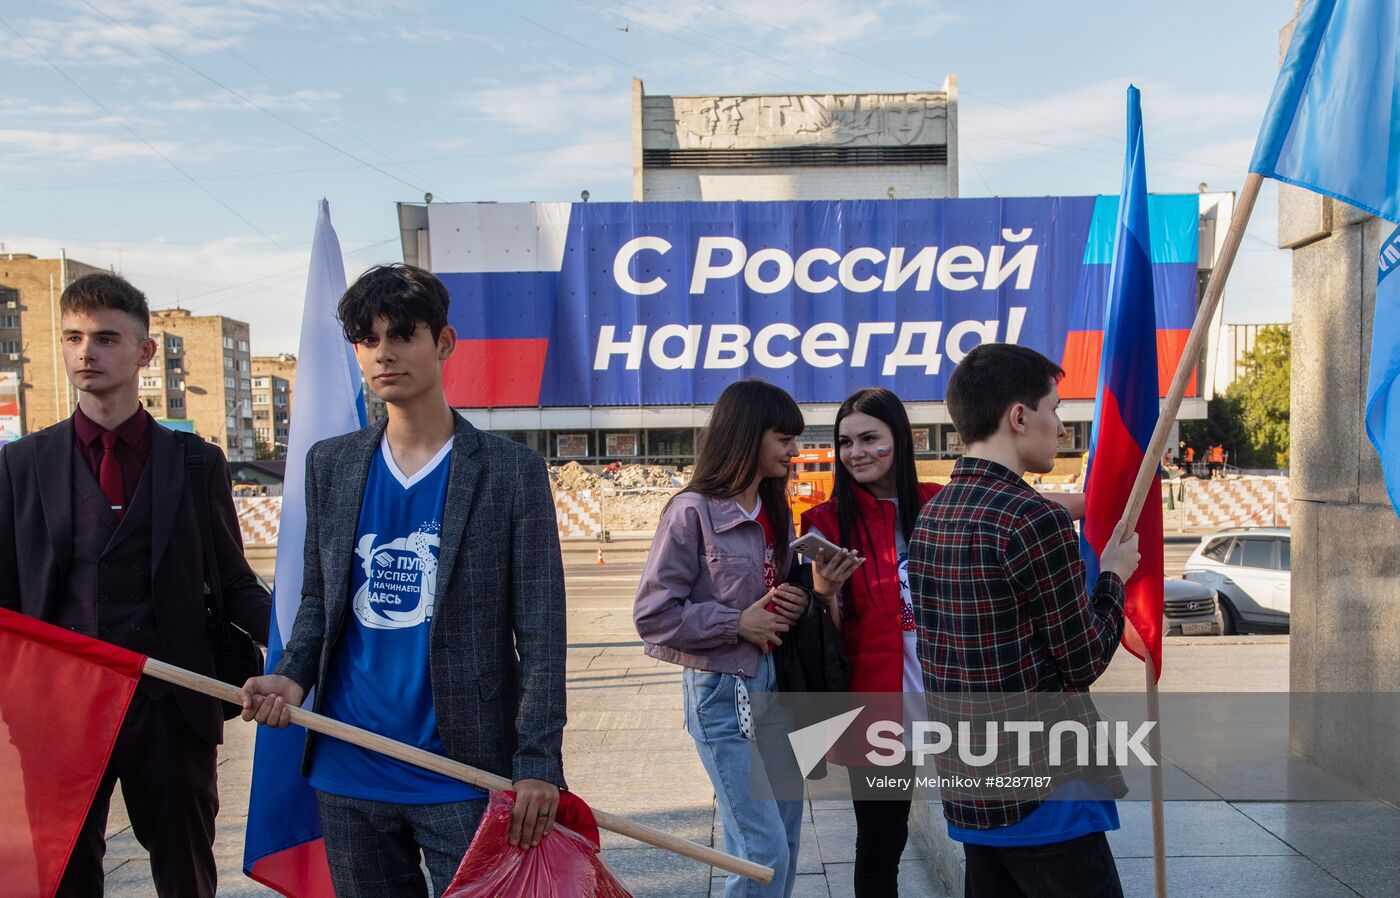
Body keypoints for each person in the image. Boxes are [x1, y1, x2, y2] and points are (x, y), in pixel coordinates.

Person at [239, 264, 567, 898]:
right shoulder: (331, 464)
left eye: (401, 335)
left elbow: (543, 632)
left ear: (443, 343)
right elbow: (319, 599)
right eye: (366, 339)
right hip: (347, 766)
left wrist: (538, 764)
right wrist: (293, 674)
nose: (382, 353)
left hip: (460, 772)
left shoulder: (509, 472)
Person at [0, 272, 271, 897]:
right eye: (72, 337)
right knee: (62, 878)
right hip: (58, 713)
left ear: (145, 352)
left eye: (105, 338)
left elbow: (234, 583)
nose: (85, 353)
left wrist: (300, 650)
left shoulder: (197, 461)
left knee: (187, 877)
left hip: (173, 707)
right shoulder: (21, 464)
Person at [799, 386, 1085, 898]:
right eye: (845, 442)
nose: (855, 452)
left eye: (870, 438)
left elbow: (1049, 507)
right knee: (881, 844)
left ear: (900, 440)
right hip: (878, 708)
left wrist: (1125, 489)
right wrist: (824, 593)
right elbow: (828, 641)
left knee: (986, 835)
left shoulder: (941, 500)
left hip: (960, 695)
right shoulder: (823, 522)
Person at [908, 343, 1140, 898]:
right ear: (1018, 416)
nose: (1061, 427)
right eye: (1055, 409)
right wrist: (1112, 576)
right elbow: (1084, 659)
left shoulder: (932, 514)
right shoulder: (1035, 520)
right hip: (1043, 789)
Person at [633, 379, 810, 898]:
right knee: (762, 855)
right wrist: (737, 624)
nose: (794, 451)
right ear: (748, 436)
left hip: (778, 691)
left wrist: (797, 599)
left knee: (788, 841)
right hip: (721, 699)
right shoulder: (692, 511)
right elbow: (653, 614)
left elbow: (771, 593)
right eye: (784, 438)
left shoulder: (775, 511)